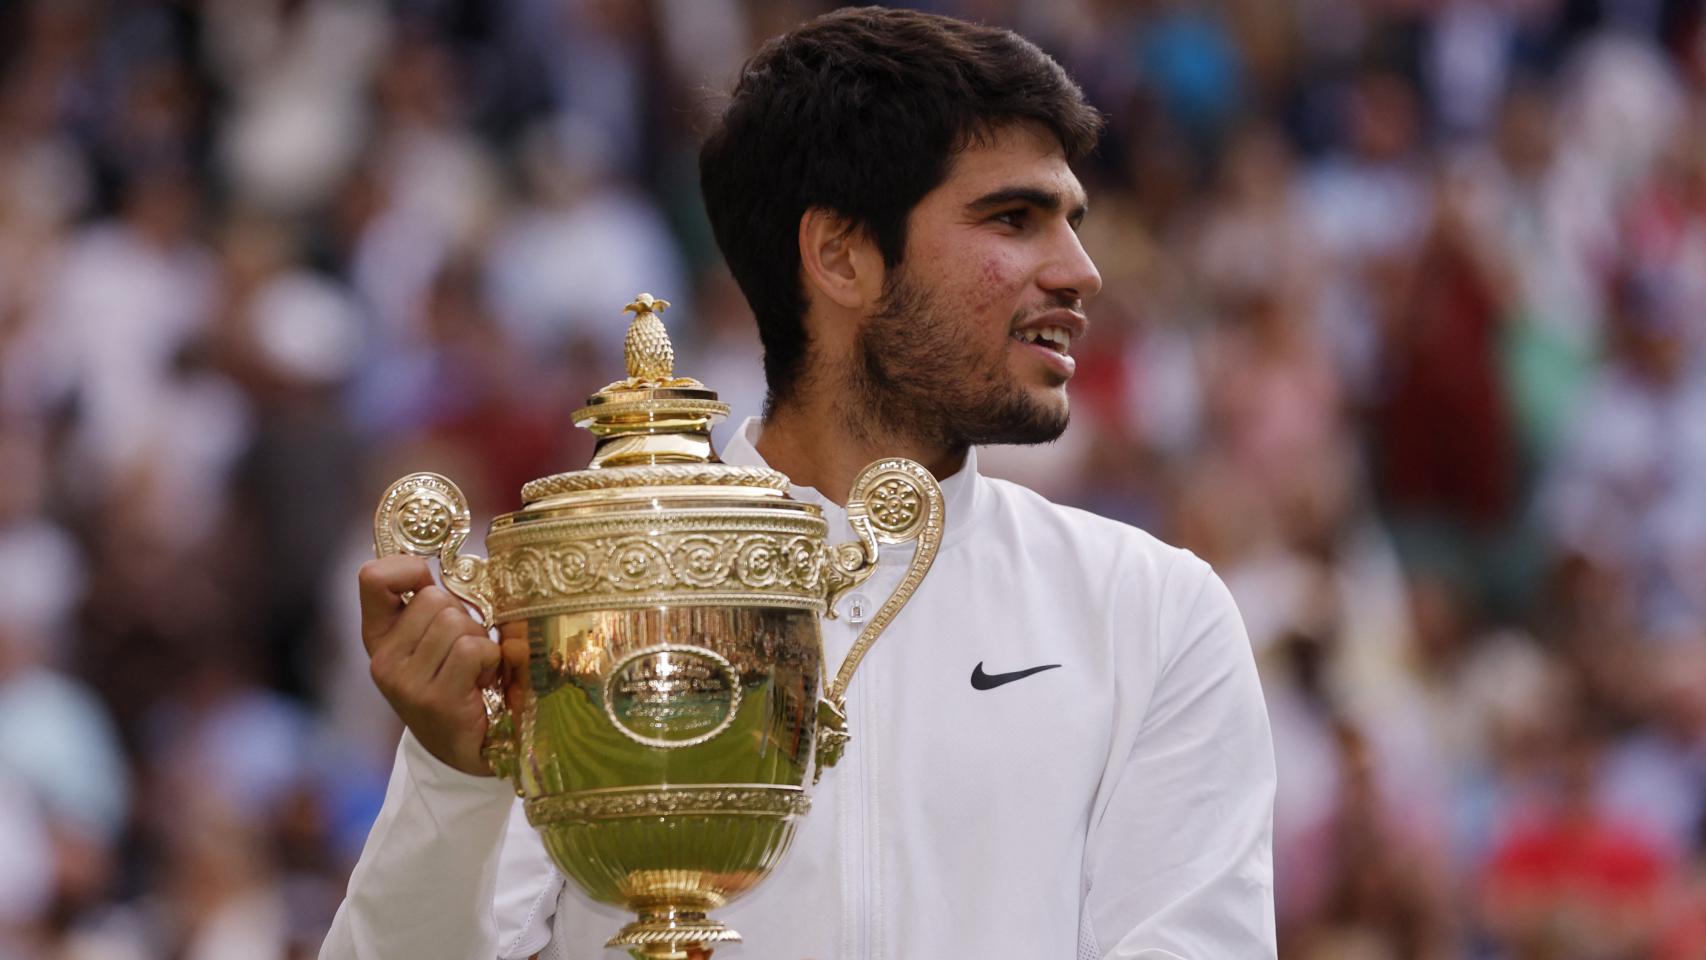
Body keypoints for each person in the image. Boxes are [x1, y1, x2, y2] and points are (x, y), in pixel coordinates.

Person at [322, 7, 1276, 958]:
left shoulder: (1152, 613)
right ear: (841, 256)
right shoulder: (583, 599)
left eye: (1073, 222)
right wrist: (455, 777)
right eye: (1015, 219)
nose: (1081, 272)